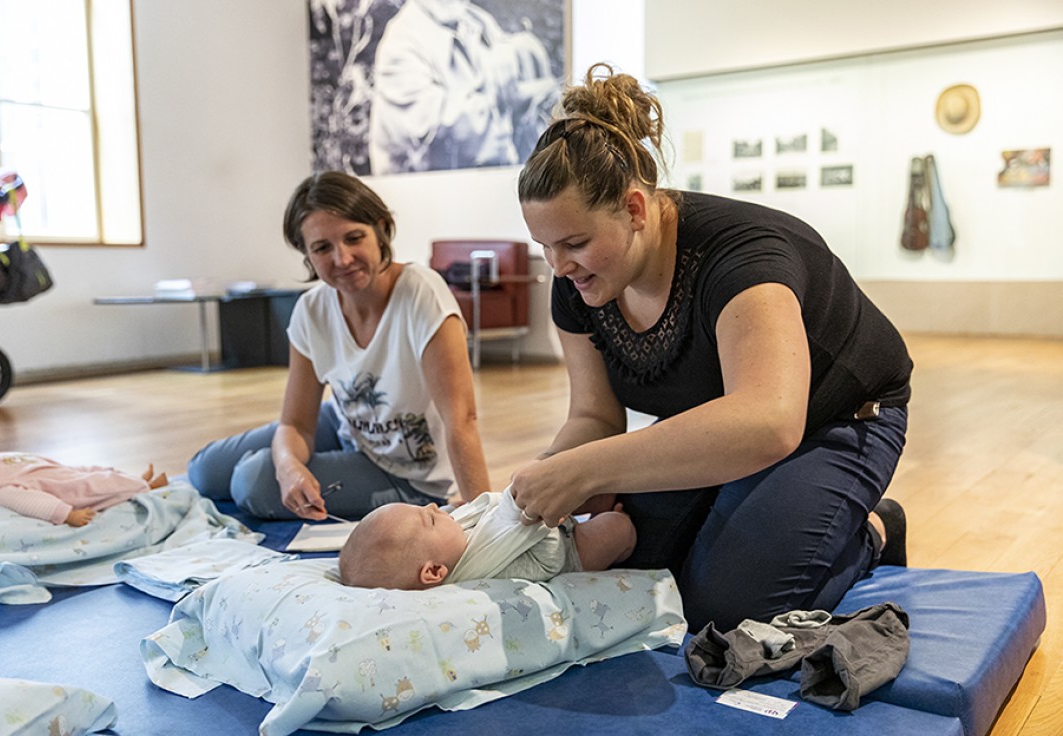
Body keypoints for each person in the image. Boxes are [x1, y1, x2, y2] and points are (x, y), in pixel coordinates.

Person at [508, 64, 913, 632]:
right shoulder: (577, 281)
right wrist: (542, 481)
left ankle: (872, 529)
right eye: (544, 247)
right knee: (629, 560)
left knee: (725, 609)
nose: (559, 266)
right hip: (719, 425)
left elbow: (769, 421)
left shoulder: (742, 257)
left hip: (838, 419)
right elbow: (594, 415)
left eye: (574, 243)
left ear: (634, 209)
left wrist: (587, 471)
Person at [187, 172, 490, 521]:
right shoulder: (312, 309)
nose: (342, 259)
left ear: (380, 230)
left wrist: (485, 519)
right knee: (205, 472)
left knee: (251, 483)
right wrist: (288, 465)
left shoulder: (422, 294)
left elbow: (461, 419)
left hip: (407, 473)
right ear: (307, 255)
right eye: (322, 248)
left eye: (354, 238)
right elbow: (297, 424)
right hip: (349, 423)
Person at [368, 0, 557, 174]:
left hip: (486, 188)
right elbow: (438, 134)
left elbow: (511, 76)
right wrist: (511, 101)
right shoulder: (401, 42)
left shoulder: (475, 20)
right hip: (429, 197)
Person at [337, 487, 635, 590]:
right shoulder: (482, 572)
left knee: (584, 488)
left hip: (550, 520)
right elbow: (547, 565)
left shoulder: (448, 544)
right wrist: (543, 526)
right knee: (618, 527)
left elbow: (482, 517)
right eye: (428, 518)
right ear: (433, 572)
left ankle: (595, 505)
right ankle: (609, 526)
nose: (432, 507)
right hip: (572, 550)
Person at [0, 442, 168, 526]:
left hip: (58, 470)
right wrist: (66, 514)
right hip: (64, 487)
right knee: (97, 485)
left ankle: (136, 480)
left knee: (96, 470)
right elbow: (31, 502)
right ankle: (147, 488)